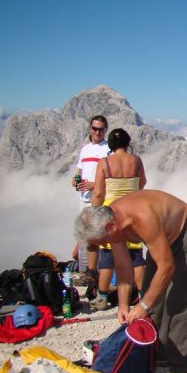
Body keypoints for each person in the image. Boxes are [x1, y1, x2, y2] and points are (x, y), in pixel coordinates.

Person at [75, 190, 187, 373]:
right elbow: (123, 266)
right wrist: (123, 305)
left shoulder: (141, 218)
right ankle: (160, 352)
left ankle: (182, 366)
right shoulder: (112, 223)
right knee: (150, 291)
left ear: (111, 227)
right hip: (164, 238)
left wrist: (144, 305)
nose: (104, 245)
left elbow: (166, 266)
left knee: (179, 299)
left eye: (102, 241)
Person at [90, 128, 147, 311]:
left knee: (107, 257)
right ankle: (143, 296)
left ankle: (102, 298)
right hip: (132, 212)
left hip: (111, 212)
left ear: (111, 145)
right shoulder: (136, 161)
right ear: (127, 142)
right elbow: (142, 182)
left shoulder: (104, 162)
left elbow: (98, 192)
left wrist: (95, 211)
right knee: (136, 256)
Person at [71, 115, 109, 283]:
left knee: (97, 237)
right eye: (94, 128)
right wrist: (75, 181)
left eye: (101, 129)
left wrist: (94, 185)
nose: (97, 132)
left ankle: (97, 274)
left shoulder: (108, 149)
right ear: (90, 129)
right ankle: (91, 273)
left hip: (97, 199)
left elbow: (111, 177)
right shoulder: (85, 149)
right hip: (83, 198)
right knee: (86, 237)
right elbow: (80, 171)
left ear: (105, 130)